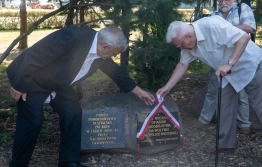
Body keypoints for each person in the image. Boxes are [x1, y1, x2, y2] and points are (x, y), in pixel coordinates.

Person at [6, 26, 155, 167]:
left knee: (73, 112)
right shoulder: (72, 36)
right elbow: (35, 55)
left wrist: (139, 92)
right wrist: (19, 85)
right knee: (33, 121)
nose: (115, 56)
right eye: (115, 53)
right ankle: (18, 164)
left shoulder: (100, 54)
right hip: (32, 79)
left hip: (59, 84)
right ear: (105, 47)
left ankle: (69, 162)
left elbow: (116, 72)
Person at [157, 16, 262, 165]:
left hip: (249, 64)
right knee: (225, 106)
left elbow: (243, 37)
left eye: (180, 46)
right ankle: (225, 144)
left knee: (261, 108)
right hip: (227, 73)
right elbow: (182, 65)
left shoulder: (211, 25)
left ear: (188, 37)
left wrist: (229, 64)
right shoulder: (188, 44)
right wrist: (167, 87)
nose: (181, 49)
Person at [193, 0, 256, 135]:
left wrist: (226, 29)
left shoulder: (242, 9)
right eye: (220, 0)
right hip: (218, 60)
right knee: (212, 91)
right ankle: (204, 119)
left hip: (239, 59)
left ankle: (244, 123)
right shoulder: (215, 14)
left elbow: (250, 27)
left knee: (241, 93)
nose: (223, 3)